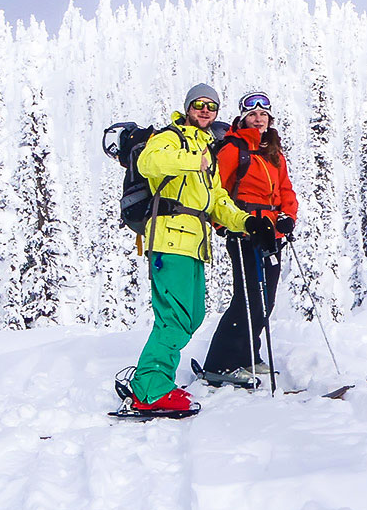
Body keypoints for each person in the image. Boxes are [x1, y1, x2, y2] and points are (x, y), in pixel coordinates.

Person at [128, 83, 277, 412]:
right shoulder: (171, 138)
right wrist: (194, 158)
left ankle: (154, 382)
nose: (205, 110)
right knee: (175, 317)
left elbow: (219, 202)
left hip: (194, 242)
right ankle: (150, 390)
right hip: (169, 237)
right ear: (188, 107)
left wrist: (248, 222)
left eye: (211, 106)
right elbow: (150, 163)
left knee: (191, 316)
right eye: (199, 104)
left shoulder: (207, 148)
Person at [202, 89, 299, 385]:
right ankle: (220, 363)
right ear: (243, 119)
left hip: (271, 233)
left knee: (265, 300)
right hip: (244, 231)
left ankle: (247, 355)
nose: (258, 119)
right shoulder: (233, 149)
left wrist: (287, 217)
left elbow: (286, 191)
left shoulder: (273, 153)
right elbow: (217, 189)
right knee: (248, 298)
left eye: (263, 115)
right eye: (253, 115)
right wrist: (226, 226)